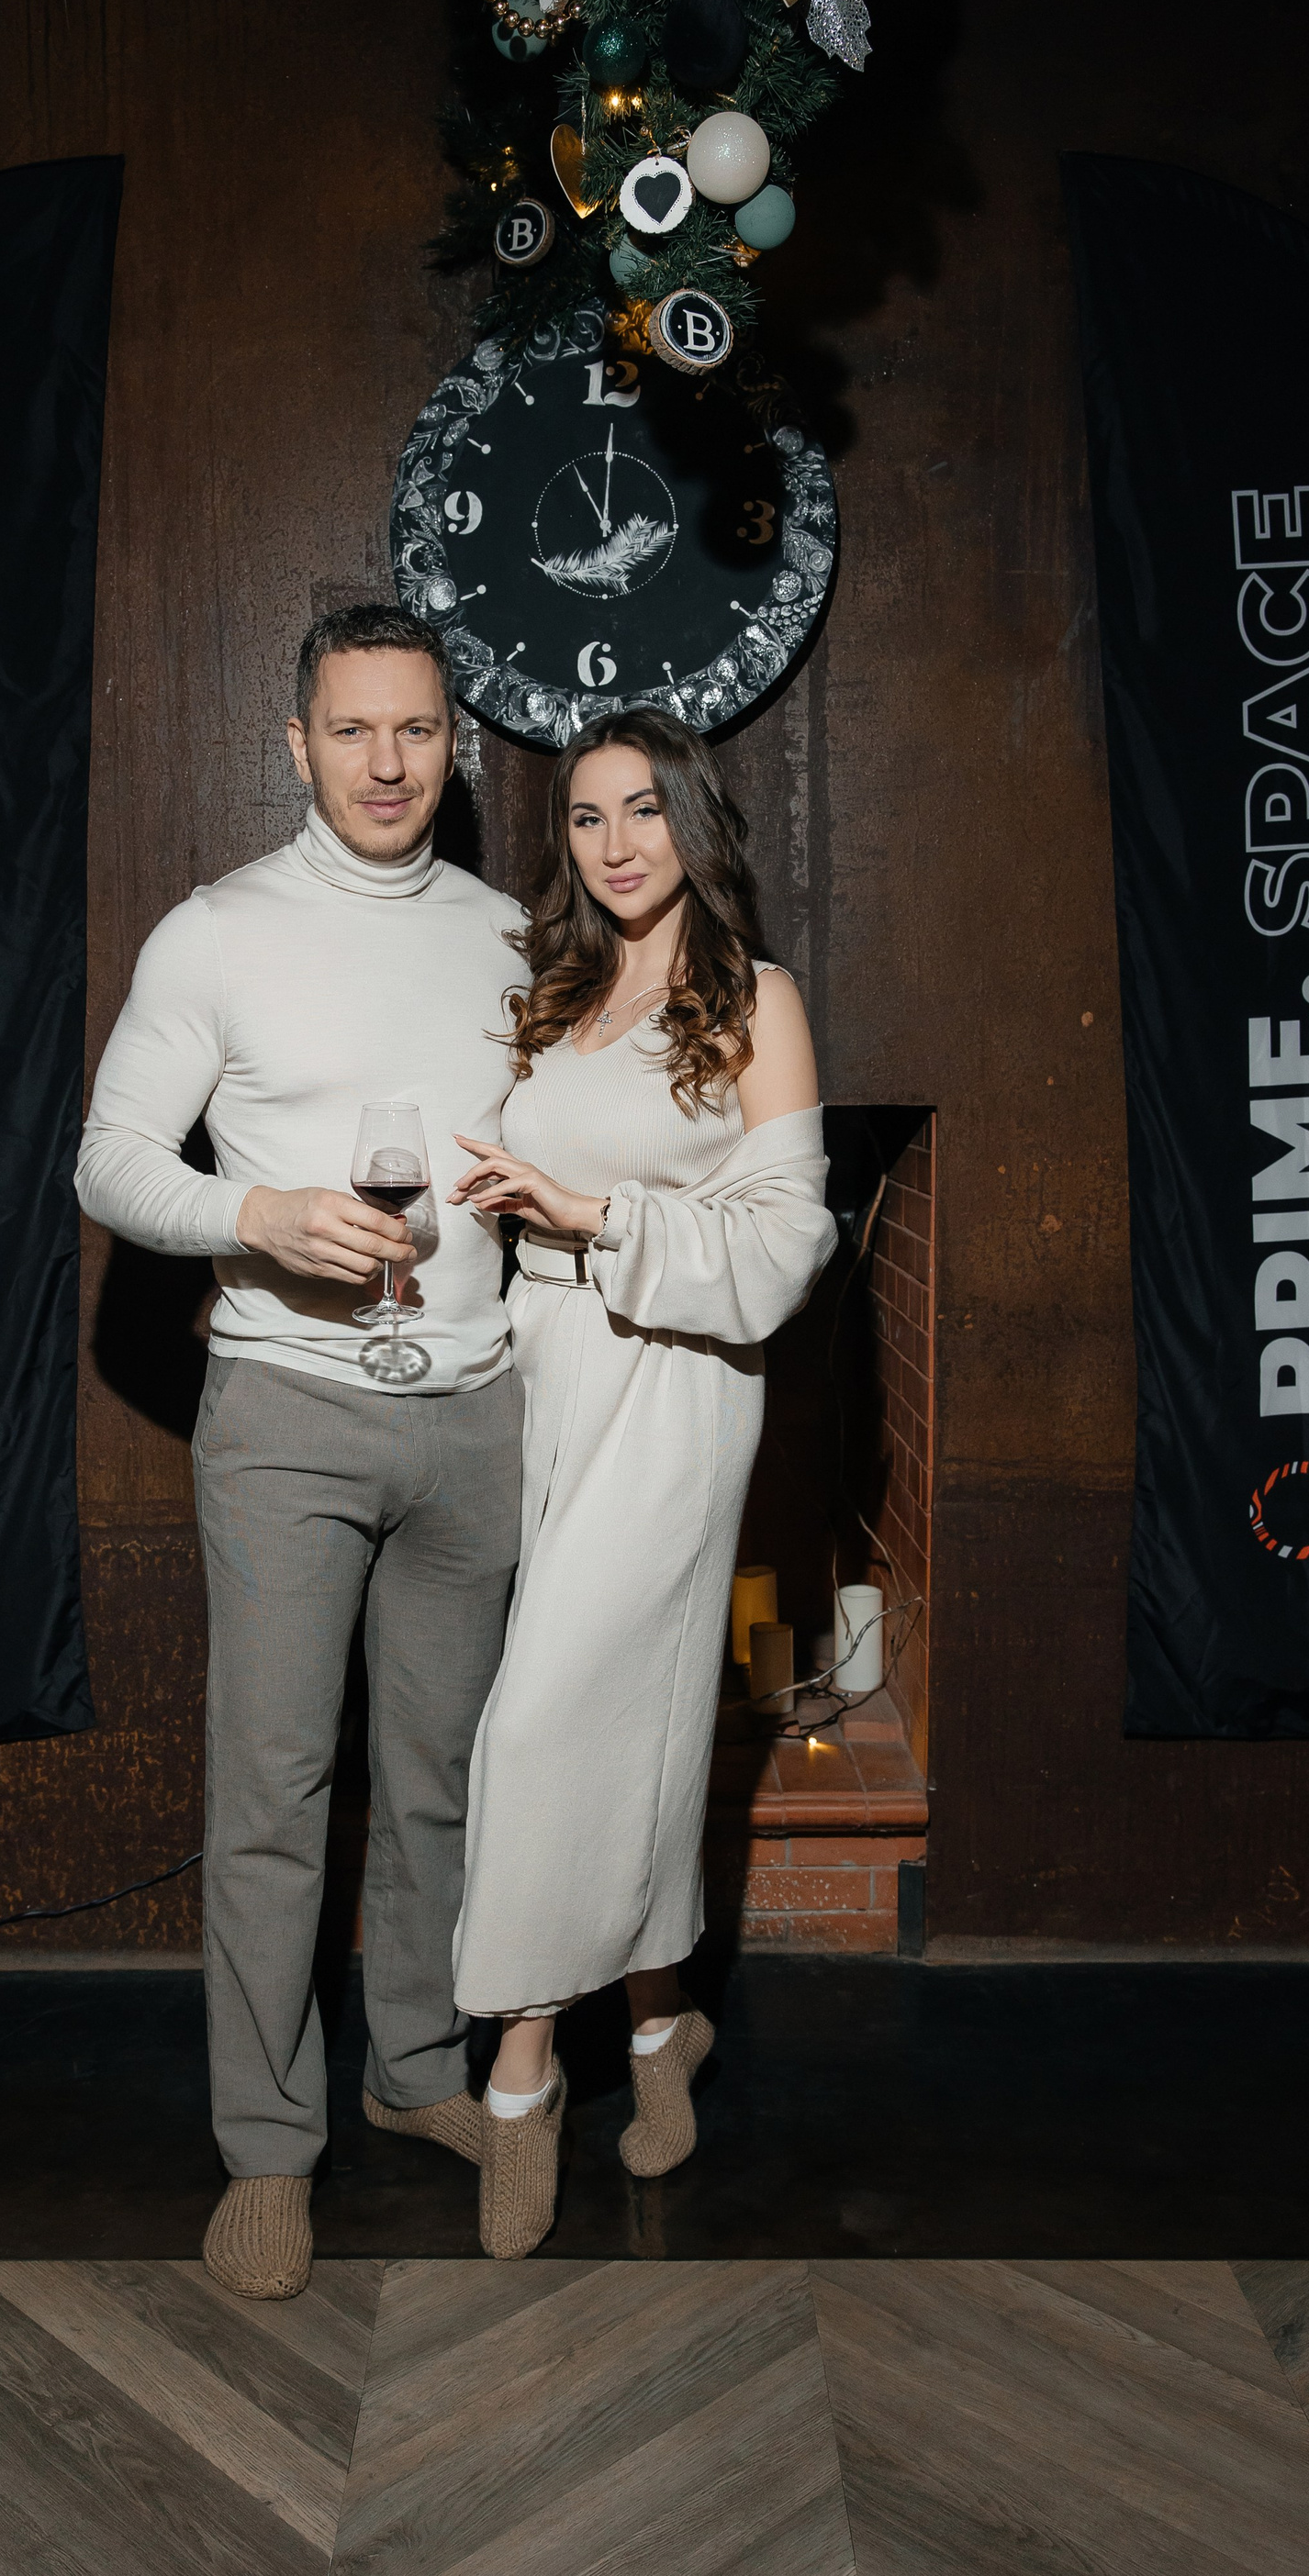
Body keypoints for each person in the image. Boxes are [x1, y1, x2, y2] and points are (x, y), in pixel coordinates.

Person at [75, 604, 525, 2301]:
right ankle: (268, 2149)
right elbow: (111, 1159)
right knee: (275, 1792)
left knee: (439, 1780)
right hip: (285, 1415)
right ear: (298, 745)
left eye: (417, 730)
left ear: (454, 746)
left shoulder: (512, 937)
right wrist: (252, 1218)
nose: (388, 763)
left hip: (477, 1414)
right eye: (353, 730)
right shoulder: (218, 934)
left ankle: (414, 2069)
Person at [447, 706, 837, 2259]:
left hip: (673, 1380)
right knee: (627, 1721)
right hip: (536, 1365)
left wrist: (598, 1215)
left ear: (695, 820)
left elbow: (789, 1244)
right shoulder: (555, 993)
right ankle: (666, 2020)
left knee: (547, 1715)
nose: (616, 844)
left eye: (643, 811)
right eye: (588, 817)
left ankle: (522, 2072)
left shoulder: (755, 1001)